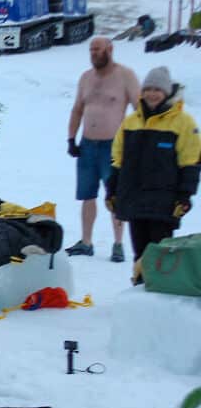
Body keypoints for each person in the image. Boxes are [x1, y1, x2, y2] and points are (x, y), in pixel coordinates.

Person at [105, 66, 199, 275]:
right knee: (139, 254)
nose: (152, 94)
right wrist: (112, 191)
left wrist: (184, 196)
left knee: (161, 255)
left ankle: (159, 295)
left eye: (157, 89)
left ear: (167, 92)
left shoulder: (183, 123)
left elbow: (190, 162)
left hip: (164, 203)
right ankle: (140, 294)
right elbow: (117, 159)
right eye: (148, 89)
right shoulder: (131, 122)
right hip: (135, 199)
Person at [66, 36, 141, 262]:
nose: (94, 54)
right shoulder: (86, 78)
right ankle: (86, 241)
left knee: (115, 195)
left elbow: (140, 110)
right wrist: (71, 138)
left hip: (114, 146)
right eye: (91, 50)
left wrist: (135, 142)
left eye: (98, 49)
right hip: (88, 144)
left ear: (110, 49)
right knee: (87, 195)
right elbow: (77, 109)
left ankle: (118, 244)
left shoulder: (125, 76)